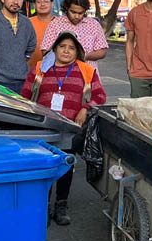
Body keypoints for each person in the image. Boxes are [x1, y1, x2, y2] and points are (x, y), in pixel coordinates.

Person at [20, 30, 107, 225]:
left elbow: (100, 96)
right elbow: (25, 95)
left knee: (66, 166)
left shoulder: (86, 70)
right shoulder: (41, 68)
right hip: (43, 127)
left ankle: (61, 205)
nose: (66, 51)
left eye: (72, 48)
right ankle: (44, 206)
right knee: (44, 166)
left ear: (78, 52)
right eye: (62, 46)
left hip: (70, 128)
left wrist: (85, 108)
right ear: (55, 48)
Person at [39, 0, 108, 72]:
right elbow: (45, 50)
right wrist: (66, 57)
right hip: (61, 75)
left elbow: (102, 50)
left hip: (88, 76)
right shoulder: (55, 24)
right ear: (67, 8)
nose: (77, 16)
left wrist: (84, 56)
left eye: (80, 13)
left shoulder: (94, 25)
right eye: (73, 12)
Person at [28, 0, 56, 71]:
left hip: (53, 72)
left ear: (52, 4)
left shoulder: (60, 24)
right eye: (38, 2)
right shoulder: (27, 23)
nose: (42, 4)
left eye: (46, 1)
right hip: (29, 71)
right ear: (35, 5)